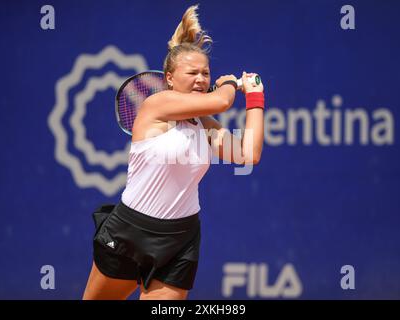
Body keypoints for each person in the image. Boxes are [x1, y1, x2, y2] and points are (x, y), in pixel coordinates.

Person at [82, 4, 265, 300]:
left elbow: (248, 154)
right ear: (168, 78)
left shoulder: (204, 125)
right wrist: (231, 83)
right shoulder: (157, 105)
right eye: (192, 72)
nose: (201, 79)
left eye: (206, 73)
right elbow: (221, 101)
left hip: (181, 239)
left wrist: (256, 96)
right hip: (130, 231)